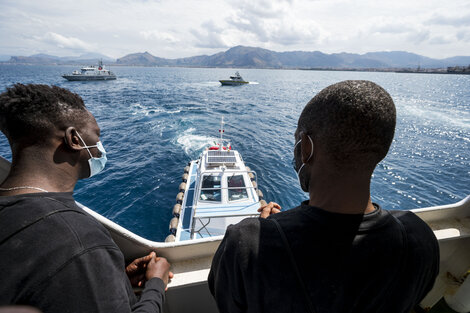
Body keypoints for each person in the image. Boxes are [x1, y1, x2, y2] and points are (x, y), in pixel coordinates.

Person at [208, 80, 439, 313]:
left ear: (306, 147)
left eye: (296, 140)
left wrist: (265, 233)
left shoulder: (245, 246)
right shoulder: (419, 239)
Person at [0, 84, 172, 313]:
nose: (100, 147)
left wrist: (113, 278)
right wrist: (156, 284)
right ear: (74, 139)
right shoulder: (79, 241)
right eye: (97, 135)